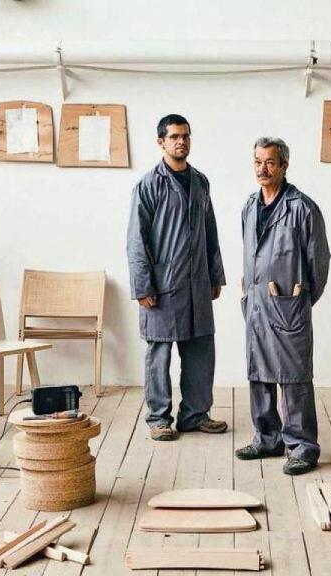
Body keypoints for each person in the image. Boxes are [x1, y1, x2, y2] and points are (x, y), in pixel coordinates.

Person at [127, 114, 227, 441]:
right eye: (173, 137)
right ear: (161, 142)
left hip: (197, 283)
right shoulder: (148, 185)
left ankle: (195, 415)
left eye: (185, 136)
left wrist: (215, 275)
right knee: (159, 354)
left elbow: (210, 232)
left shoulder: (200, 182)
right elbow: (136, 240)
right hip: (162, 286)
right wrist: (143, 286)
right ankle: (159, 419)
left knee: (201, 351)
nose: (180, 141)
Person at [234, 137, 331, 475]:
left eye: (270, 162)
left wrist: (299, 301)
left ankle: (303, 447)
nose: (263, 168)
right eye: (258, 161)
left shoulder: (303, 208)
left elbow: (319, 262)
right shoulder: (249, 206)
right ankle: (267, 438)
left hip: (288, 304)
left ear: (284, 165)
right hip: (257, 303)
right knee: (258, 372)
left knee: (293, 376)